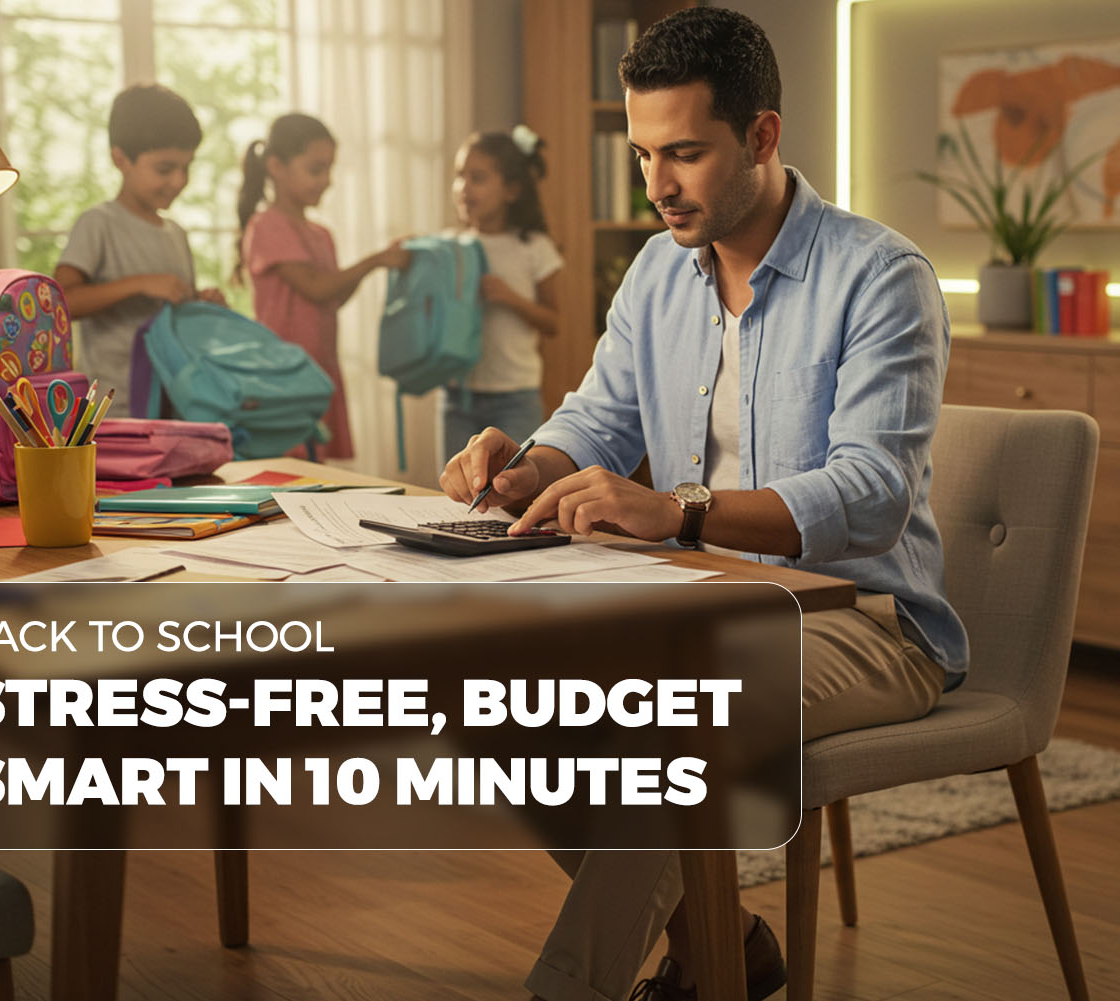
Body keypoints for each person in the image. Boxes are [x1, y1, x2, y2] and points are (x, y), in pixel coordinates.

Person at [438, 8, 970, 1001]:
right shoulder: (654, 270)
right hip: (697, 605)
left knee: (679, 716)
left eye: (683, 153)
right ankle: (718, 945)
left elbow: (874, 492)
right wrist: (525, 467)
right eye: (642, 154)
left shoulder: (880, 277)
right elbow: (594, 419)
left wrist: (678, 508)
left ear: (763, 137)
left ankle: (569, 986)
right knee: (478, 696)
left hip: (864, 618)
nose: (656, 186)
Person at [235, 113, 406, 460]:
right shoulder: (267, 225)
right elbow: (315, 288)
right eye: (316, 169)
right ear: (276, 166)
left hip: (320, 368)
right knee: (291, 469)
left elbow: (333, 297)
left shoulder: (321, 234)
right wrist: (374, 261)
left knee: (318, 469)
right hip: (286, 375)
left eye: (329, 169)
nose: (326, 180)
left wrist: (371, 268)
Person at [55, 83, 225, 417]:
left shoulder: (176, 234)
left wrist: (203, 306)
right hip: (112, 410)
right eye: (165, 168)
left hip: (173, 405)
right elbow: (61, 304)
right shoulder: (98, 223)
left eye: (186, 167)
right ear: (121, 159)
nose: (179, 181)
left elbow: (176, 316)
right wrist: (139, 283)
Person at [434, 128, 562, 460]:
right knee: (455, 496)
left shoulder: (534, 247)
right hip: (457, 396)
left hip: (515, 397)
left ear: (511, 189)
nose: (463, 188)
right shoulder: (449, 247)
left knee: (515, 488)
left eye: (477, 177)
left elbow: (553, 322)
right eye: (459, 177)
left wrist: (510, 298)